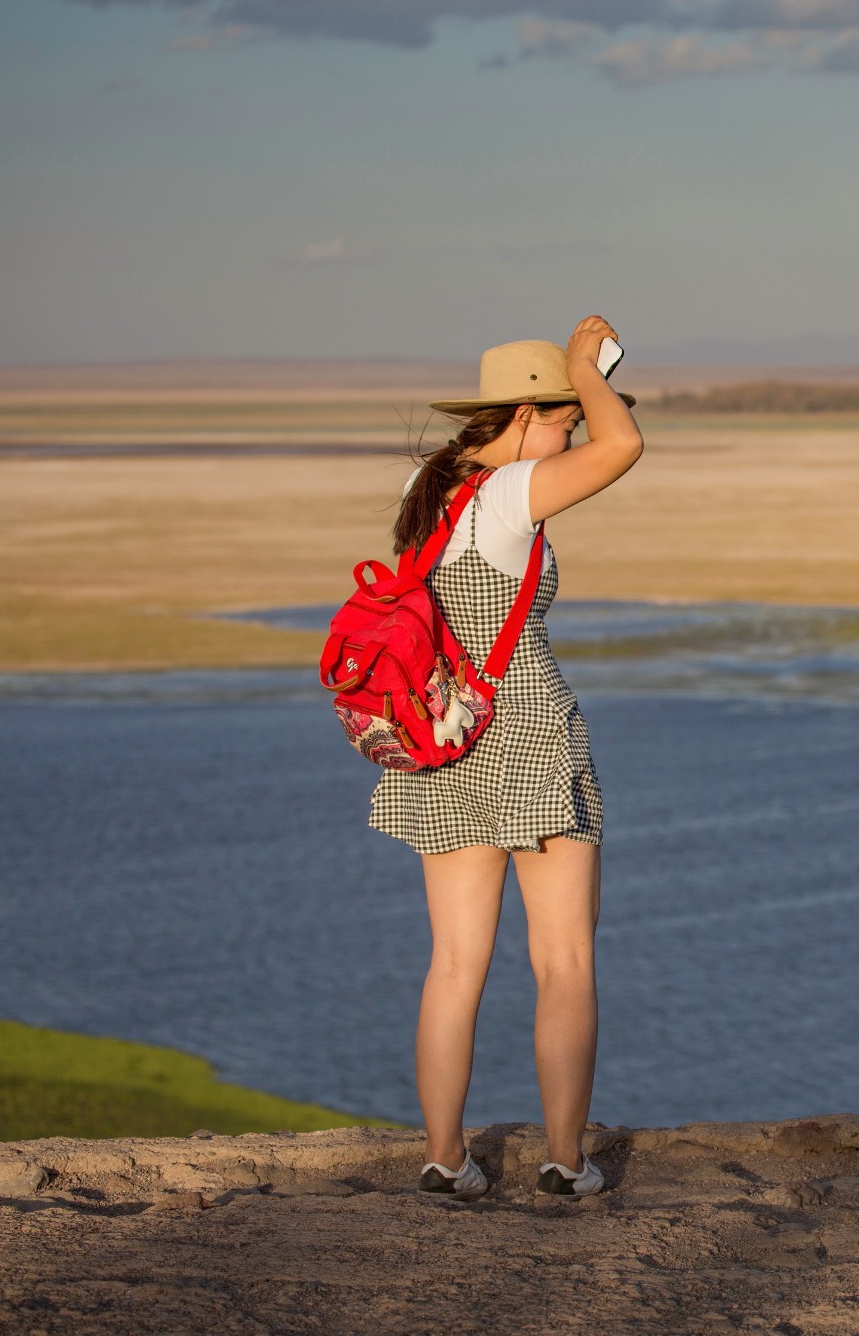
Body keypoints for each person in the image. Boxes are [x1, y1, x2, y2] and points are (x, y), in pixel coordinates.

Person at [370, 316, 643, 1199]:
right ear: (527, 415)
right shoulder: (513, 491)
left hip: (443, 739)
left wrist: (577, 378)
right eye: (562, 416)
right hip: (526, 736)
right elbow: (624, 442)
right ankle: (565, 1160)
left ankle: (445, 1157)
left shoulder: (430, 486)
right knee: (564, 958)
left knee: (454, 962)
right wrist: (583, 373)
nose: (571, 432)